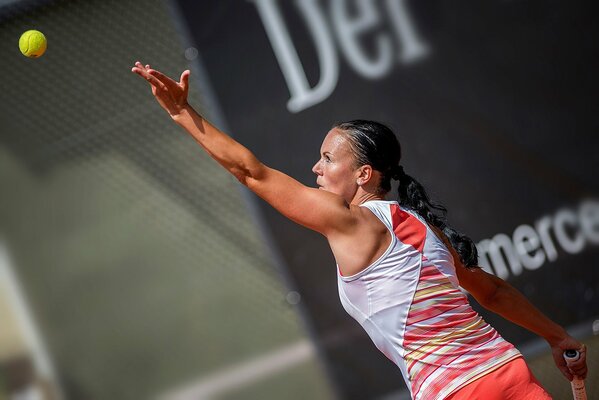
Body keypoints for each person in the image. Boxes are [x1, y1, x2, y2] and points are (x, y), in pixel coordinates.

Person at [131, 62, 588, 399]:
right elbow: (490, 293)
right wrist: (557, 337)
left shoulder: (353, 222)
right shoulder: (426, 228)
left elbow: (253, 174)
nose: (316, 167)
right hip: (508, 371)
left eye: (328, 159)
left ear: (365, 174)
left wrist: (181, 113)